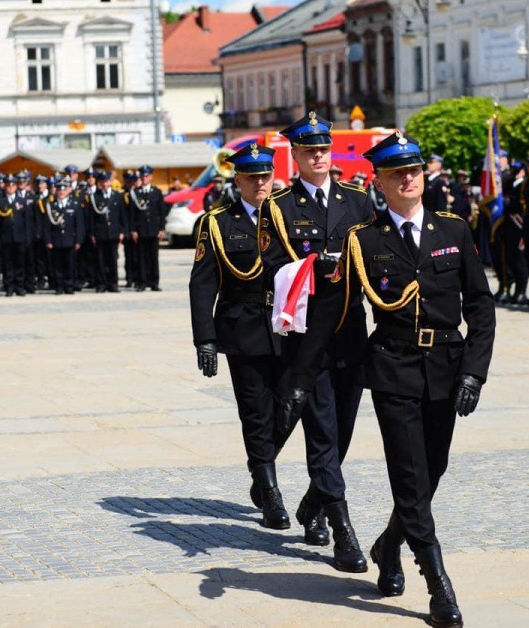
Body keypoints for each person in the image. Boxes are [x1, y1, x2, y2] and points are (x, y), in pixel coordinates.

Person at [288, 130, 495, 627]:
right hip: (392, 369)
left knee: (432, 472)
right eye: (397, 173)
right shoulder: (364, 240)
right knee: (408, 476)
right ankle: (438, 583)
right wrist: (298, 378)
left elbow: (481, 308)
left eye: (415, 170)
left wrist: (475, 372)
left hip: (447, 367)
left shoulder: (454, 231)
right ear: (377, 182)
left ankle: (388, 543)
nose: (408, 179)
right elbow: (333, 314)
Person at [258, 111, 372, 571]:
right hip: (307, 339)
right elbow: (269, 269)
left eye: (323, 149)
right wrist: (309, 269)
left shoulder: (358, 201)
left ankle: (312, 502)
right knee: (322, 431)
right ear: (296, 156)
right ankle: (342, 528)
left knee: (342, 430)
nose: (319, 156)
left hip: (350, 332)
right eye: (309, 151)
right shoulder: (280, 208)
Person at [188, 143, 290, 530]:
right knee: (255, 413)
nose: (260, 183)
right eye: (252, 177)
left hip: (285, 325)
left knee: (290, 406)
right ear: (238, 179)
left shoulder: (286, 217)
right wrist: (205, 340)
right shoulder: (217, 222)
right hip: (241, 326)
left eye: (265, 175)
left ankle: (261, 468)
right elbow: (202, 284)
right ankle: (269, 490)